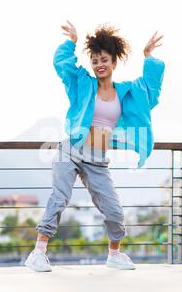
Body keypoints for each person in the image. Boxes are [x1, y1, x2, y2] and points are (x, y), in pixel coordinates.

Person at [24, 20, 165, 272]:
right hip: (71, 151)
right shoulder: (83, 83)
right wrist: (71, 43)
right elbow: (62, 65)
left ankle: (114, 255)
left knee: (113, 209)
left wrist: (148, 57)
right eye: (95, 61)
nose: (99, 65)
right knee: (59, 198)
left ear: (114, 62)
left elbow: (150, 91)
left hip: (98, 159)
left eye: (104, 60)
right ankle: (38, 252)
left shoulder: (127, 92)